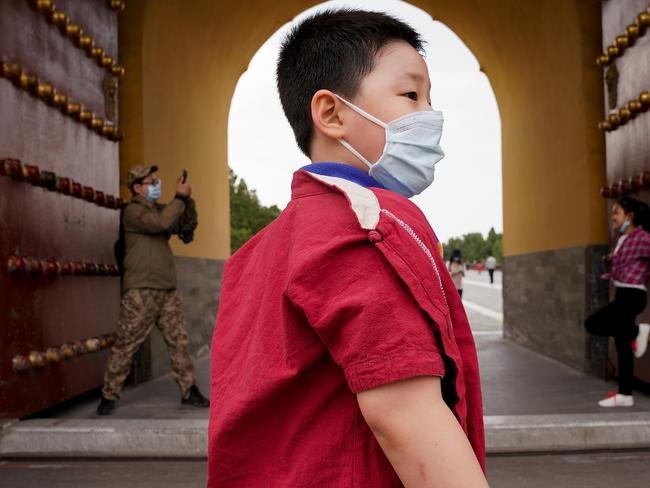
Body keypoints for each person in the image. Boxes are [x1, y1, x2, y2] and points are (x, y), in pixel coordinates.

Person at [208, 9, 486, 487]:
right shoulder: (365, 224)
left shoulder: (257, 251)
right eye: (410, 94)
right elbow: (404, 415)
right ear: (333, 113)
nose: (430, 116)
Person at [96, 165, 209, 415]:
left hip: (167, 289)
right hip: (141, 291)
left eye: (156, 180)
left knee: (178, 343)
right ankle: (109, 394)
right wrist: (178, 198)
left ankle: (189, 390)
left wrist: (187, 200)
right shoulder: (133, 212)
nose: (156, 184)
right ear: (137, 187)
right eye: (151, 181)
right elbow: (160, 223)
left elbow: (182, 224)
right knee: (127, 344)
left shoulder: (160, 210)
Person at [585, 197, 650, 408]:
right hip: (623, 294)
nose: (613, 217)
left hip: (633, 294)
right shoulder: (623, 238)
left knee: (593, 323)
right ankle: (625, 394)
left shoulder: (642, 237)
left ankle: (639, 330)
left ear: (629, 217)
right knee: (622, 344)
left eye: (617, 213)